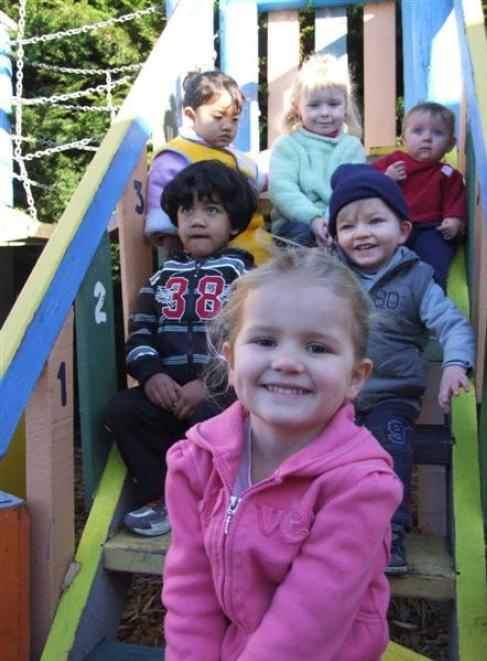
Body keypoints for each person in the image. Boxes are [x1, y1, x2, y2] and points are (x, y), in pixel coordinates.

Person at [162, 248, 403, 660]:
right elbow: (190, 591)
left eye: (317, 348)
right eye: (265, 340)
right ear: (232, 359)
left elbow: (310, 619)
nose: (287, 362)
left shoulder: (360, 485)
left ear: (355, 377)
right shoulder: (195, 462)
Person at [328, 163, 475, 573]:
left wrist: (454, 363)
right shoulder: (327, 277)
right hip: (331, 396)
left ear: (404, 230)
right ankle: (319, 534)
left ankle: (388, 537)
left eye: (376, 221)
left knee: (389, 454)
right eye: (348, 226)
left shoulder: (418, 279)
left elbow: (452, 324)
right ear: (335, 236)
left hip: (391, 396)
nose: (362, 233)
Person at [105, 160, 257, 536]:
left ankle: (221, 500)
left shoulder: (247, 278)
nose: (197, 219)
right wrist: (151, 374)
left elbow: (255, 338)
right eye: (187, 209)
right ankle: (165, 499)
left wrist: (213, 382)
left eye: (211, 209)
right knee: (124, 408)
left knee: (215, 414)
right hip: (169, 391)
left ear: (234, 223)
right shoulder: (161, 278)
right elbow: (140, 330)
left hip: (222, 393)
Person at [145, 69, 267, 264]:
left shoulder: (232, 151)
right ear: (191, 116)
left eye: (234, 119)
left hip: (253, 239)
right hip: (213, 250)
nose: (227, 126)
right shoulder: (177, 153)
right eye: (218, 117)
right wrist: (169, 236)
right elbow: (160, 197)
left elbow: (259, 179)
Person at [269, 53, 365, 247]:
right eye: (314, 105)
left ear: (345, 105)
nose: (324, 113)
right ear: (297, 107)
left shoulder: (351, 147)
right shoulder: (288, 145)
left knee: (361, 234)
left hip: (341, 219)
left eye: (333, 104)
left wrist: (331, 222)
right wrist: (313, 219)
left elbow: (350, 189)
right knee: (300, 236)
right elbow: (282, 189)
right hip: (295, 220)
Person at [372, 102, 467, 290]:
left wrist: (454, 221)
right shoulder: (394, 162)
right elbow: (363, 181)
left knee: (433, 264)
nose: (427, 138)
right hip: (394, 226)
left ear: (450, 144)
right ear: (404, 138)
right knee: (385, 262)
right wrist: (385, 178)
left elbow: (456, 201)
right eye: (418, 131)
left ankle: (429, 301)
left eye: (437, 133)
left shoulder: (448, 174)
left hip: (432, 230)